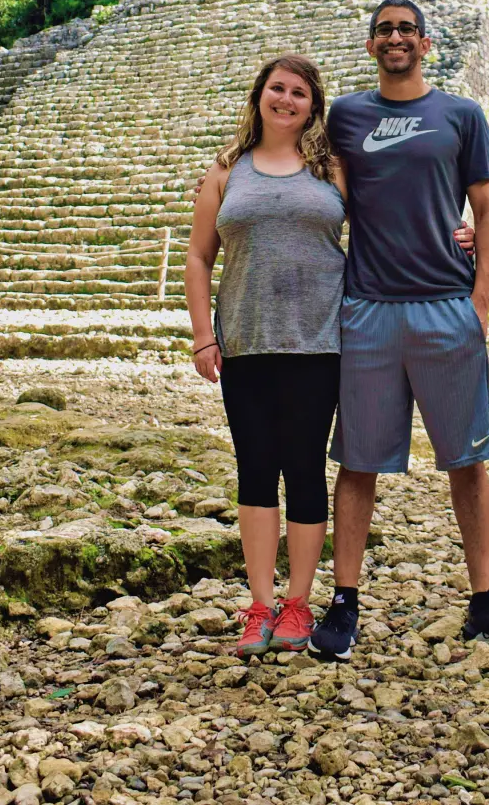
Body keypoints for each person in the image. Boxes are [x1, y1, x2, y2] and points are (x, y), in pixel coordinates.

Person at [310, 0, 489, 660]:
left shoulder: (462, 115)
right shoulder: (346, 115)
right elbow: (312, 177)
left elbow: (488, 207)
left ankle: (485, 602)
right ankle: (344, 603)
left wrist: (480, 302)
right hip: (369, 308)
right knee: (357, 461)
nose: (396, 38)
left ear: (425, 43)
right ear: (370, 44)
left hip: (446, 306)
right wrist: (223, 176)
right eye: (384, 29)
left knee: (468, 459)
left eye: (407, 29)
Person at [184, 54, 346, 656]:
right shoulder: (226, 169)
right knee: (254, 470)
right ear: (259, 96)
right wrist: (203, 335)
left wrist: (459, 233)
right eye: (277, 88)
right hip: (245, 342)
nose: (286, 100)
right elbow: (199, 256)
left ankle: (298, 604)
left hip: (318, 343)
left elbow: (385, 229)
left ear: (313, 106)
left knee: (304, 469)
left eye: (299, 92)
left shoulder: (333, 168)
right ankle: (258, 606)